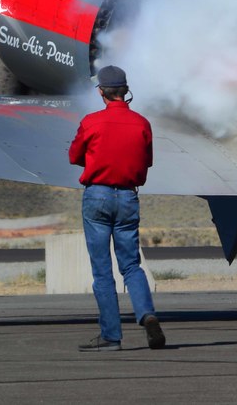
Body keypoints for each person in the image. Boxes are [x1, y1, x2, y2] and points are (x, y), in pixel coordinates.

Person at [69, 65, 166, 351]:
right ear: (125, 91)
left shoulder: (91, 122)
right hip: (127, 197)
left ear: (101, 92)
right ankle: (147, 314)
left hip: (97, 197)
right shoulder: (142, 124)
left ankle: (111, 336)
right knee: (131, 265)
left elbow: (74, 155)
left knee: (102, 270)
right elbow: (146, 161)